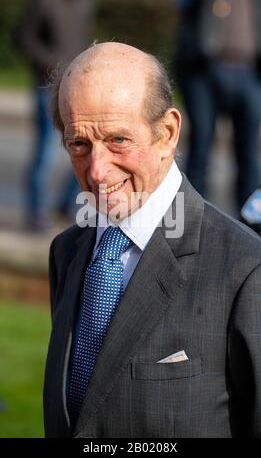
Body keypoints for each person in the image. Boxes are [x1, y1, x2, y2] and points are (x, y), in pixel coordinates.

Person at [44, 42, 261, 438]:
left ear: (168, 133)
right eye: (78, 143)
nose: (97, 171)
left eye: (118, 141)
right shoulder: (67, 252)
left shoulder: (245, 270)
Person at [173, 0, 261, 212]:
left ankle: (250, 225)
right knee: (200, 147)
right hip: (204, 69)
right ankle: (191, 217)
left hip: (248, 69)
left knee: (249, 154)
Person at [18, 0, 96, 230]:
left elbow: (81, 41)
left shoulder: (85, 1)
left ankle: (65, 206)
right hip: (47, 87)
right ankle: (36, 213)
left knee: (90, 149)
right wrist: (52, 65)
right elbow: (24, 39)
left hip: (77, 86)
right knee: (47, 153)